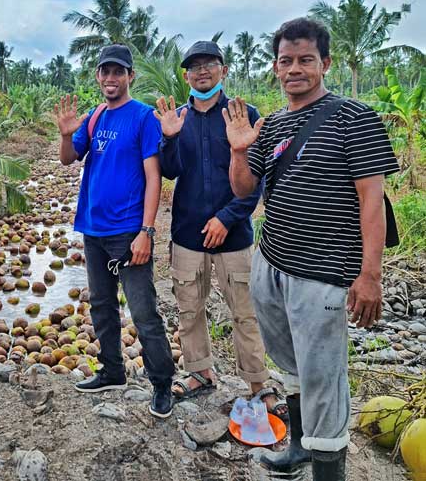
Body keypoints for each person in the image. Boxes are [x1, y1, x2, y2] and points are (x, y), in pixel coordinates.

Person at [225, 18, 399, 480]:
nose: (295, 69)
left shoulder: (354, 118)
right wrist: (240, 150)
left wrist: (370, 276)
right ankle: (299, 449)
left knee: (325, 379)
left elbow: (372, 204)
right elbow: (243, 189)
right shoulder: (273, 123)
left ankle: (328, 471)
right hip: (272, 263)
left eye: (305, 60)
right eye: (286, 61)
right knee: (291, 364)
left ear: (325, 63)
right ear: (276, 68)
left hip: (321, 274)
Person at [156, 41, 286, 418]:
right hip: (187, 233)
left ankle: (260, 385)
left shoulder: (243, 115)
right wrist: (169, 138)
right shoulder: (178, 118)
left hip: (235, 237)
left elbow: (255, 182)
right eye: (194, 66)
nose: (202, 71)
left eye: (209, 64)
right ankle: (200, 373)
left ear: (223, 70)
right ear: (186, 75)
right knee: (189, 308)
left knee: (245, 311)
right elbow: (172, 171)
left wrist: (227, 218)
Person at [54, 44, 176, 419]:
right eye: (105, 72)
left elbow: (154, 177)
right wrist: (64, 135)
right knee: (102, 304)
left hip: (128, 233)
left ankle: (161, 385)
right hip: (93, 229)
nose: (111, 78)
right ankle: (112, 370)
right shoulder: (93, 119)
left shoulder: (142, 118)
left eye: (118, 72)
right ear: (98, 76)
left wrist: (146, 231)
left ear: (129, 77)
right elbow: (67, 158)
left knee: (143, 311)